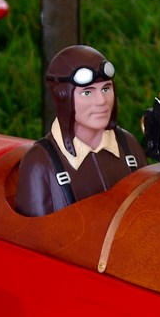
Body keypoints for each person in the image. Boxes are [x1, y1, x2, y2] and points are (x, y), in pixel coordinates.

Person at [15, 45, 147, 216]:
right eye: (87, 92)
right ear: (62, 96)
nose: (101, 101)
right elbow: (32, 230)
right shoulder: (40, 162)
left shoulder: (128, 146)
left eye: (106, 89)